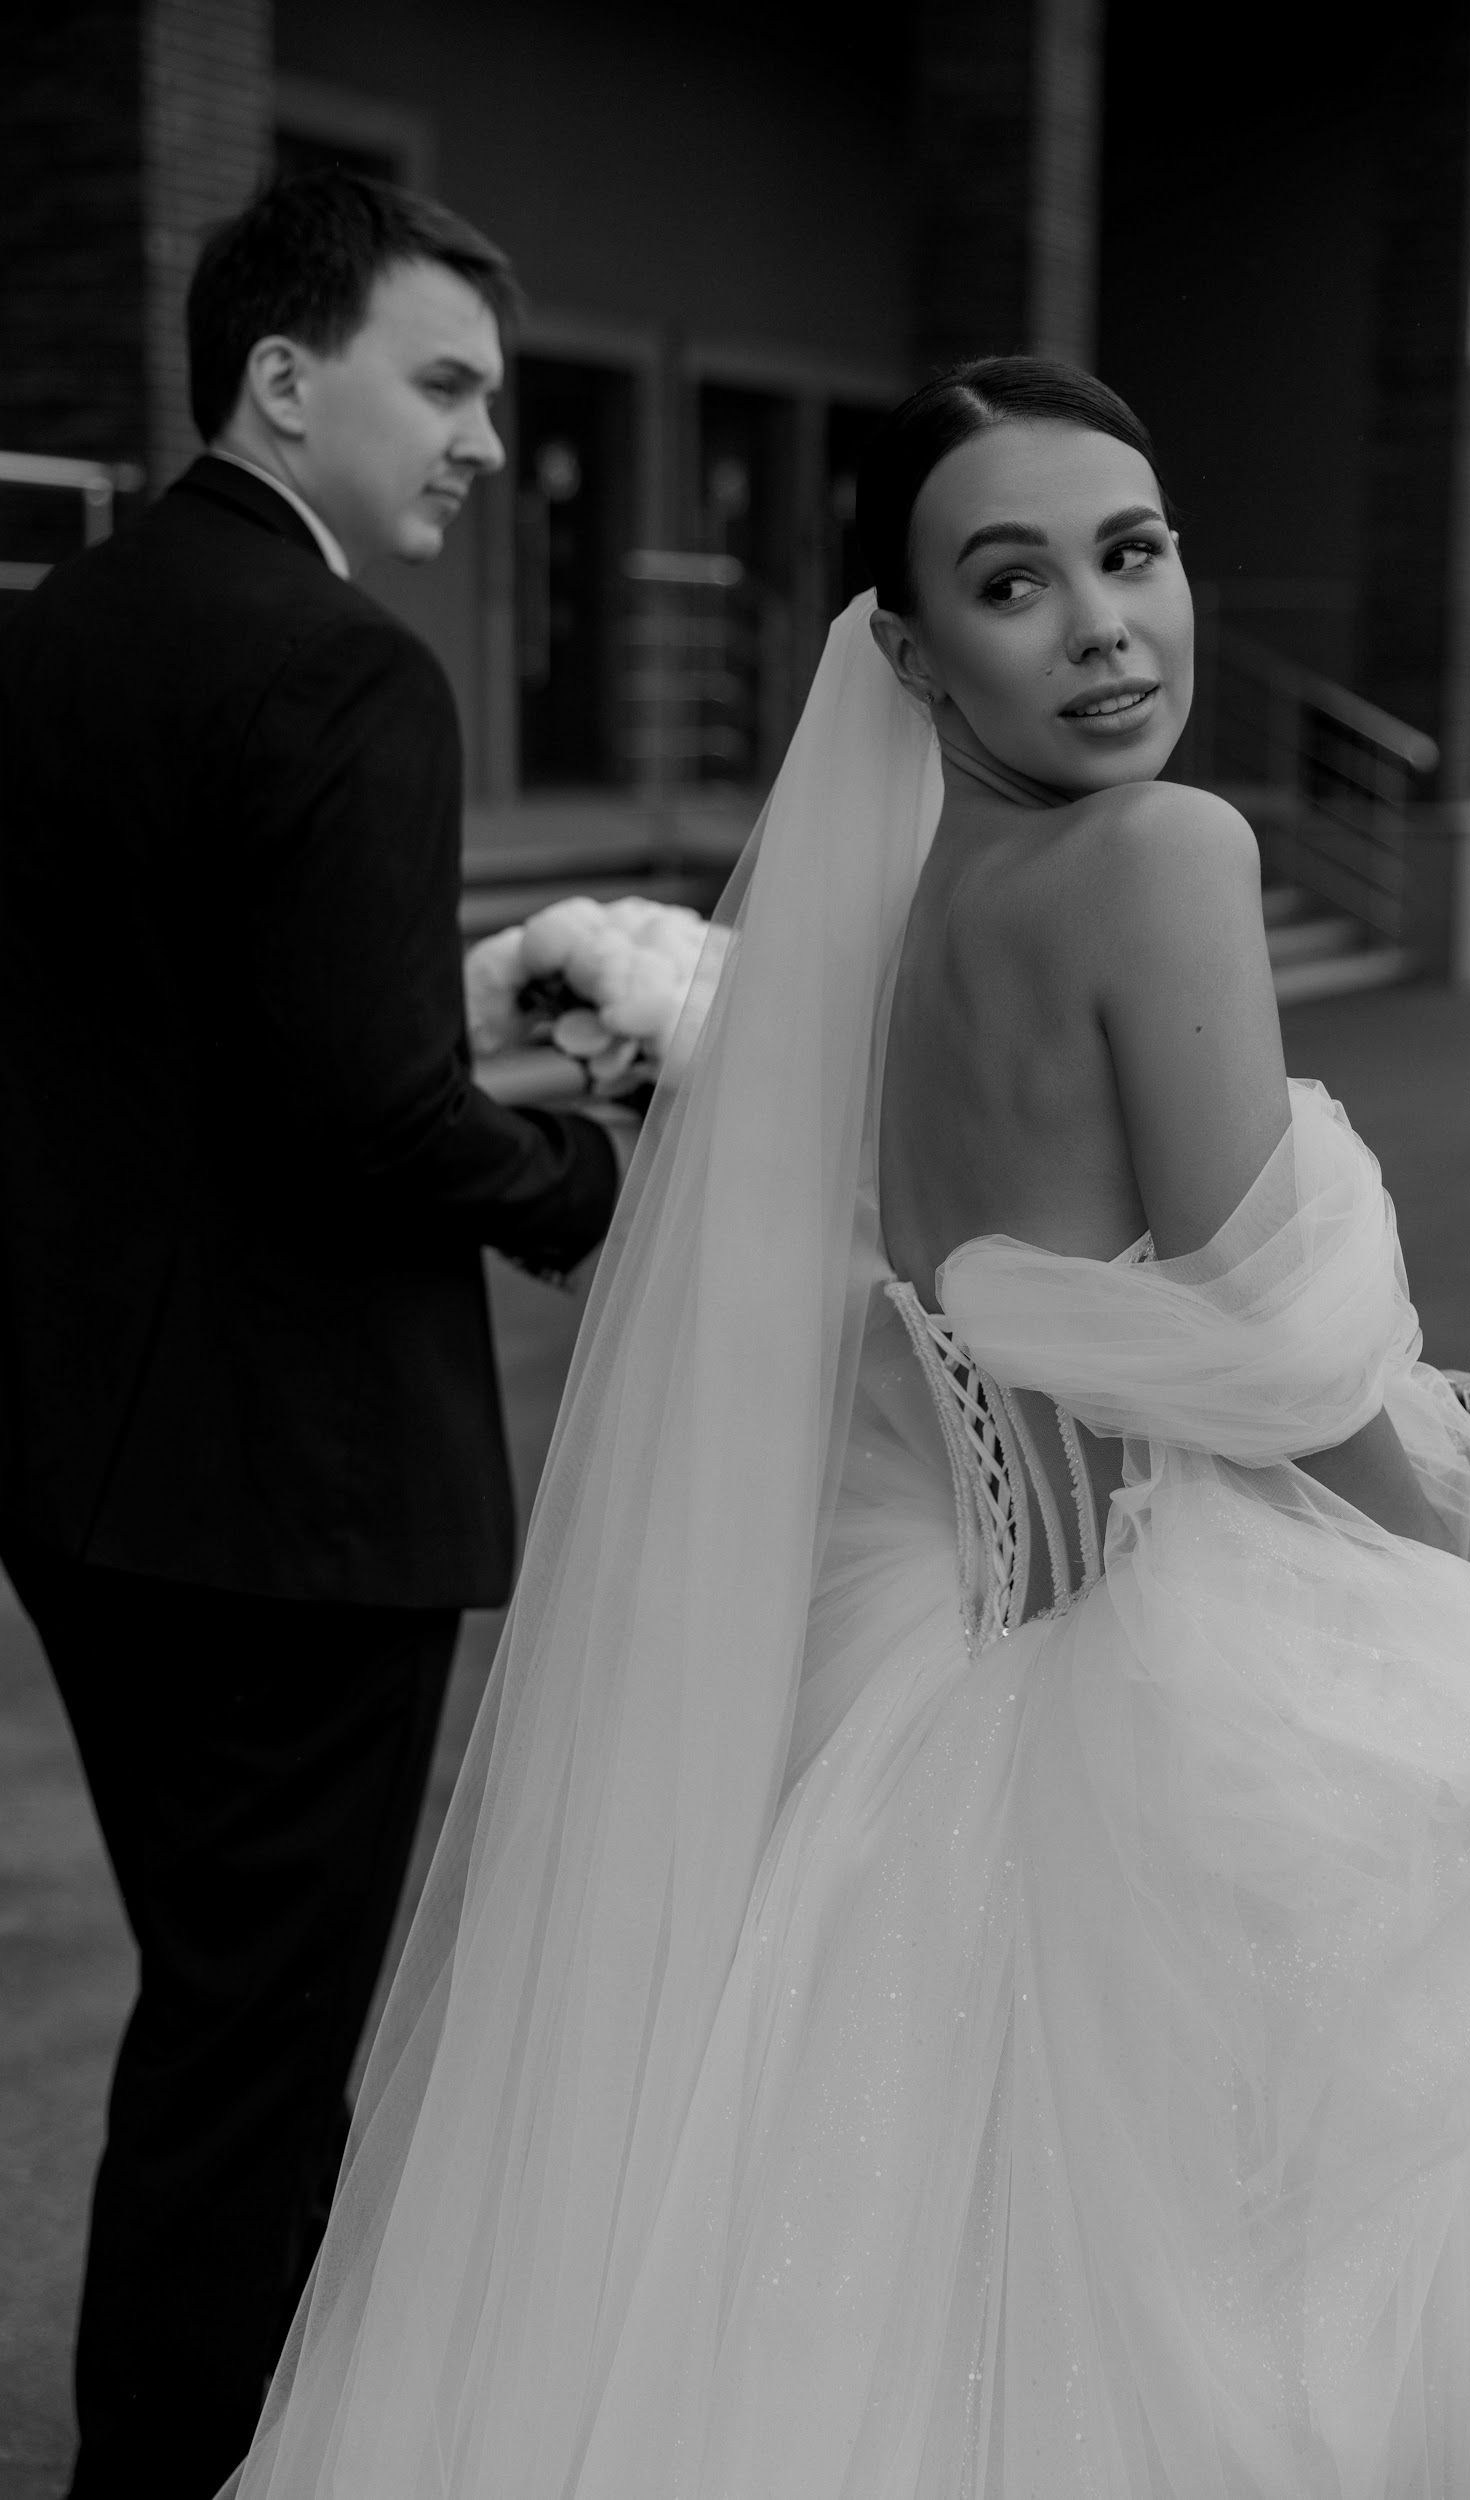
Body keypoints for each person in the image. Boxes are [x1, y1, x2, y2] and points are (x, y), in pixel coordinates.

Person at [225, 360, 1470, 2499]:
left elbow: (1039, 1298)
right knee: (1228, 2305)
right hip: (1159, 1684)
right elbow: (1267, 1340)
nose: (1104, 626)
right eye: (1014, 583)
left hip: (948, 1668)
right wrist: (1461, 1537)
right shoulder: (1163, 851)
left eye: (1133, 552)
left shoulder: (902, 912)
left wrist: (1391, 1411)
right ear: (907, 651)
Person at [0, 174, 625, 2498]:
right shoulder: (354, 668)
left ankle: (252, 2419)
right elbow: (370, 1121)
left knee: (220, 1998)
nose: (482, 440)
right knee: (254, 2042)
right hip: (297, 1502)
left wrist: (435, 1037)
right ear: (285, 378)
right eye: (442, 383)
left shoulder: (50, 636)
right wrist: (594, 1181)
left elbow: (167, 1030)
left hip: (75, 1464)